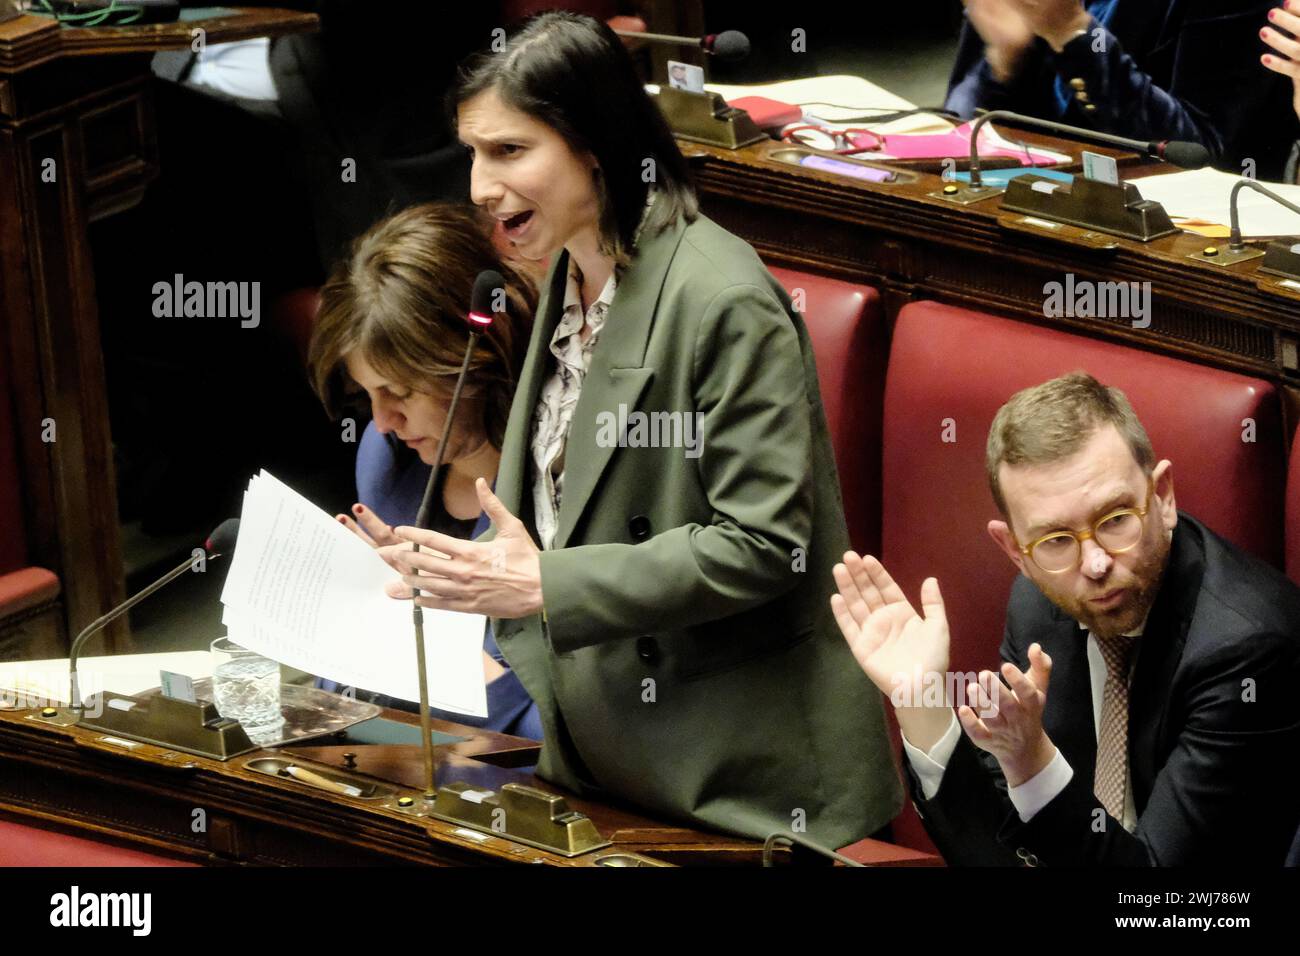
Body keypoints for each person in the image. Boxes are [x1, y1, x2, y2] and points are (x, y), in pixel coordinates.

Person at [381, 11, 902, 848]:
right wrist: (462, 568)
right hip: (599, 754)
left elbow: (766, 545)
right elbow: (566, 507)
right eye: (474, 152)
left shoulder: (720, 300)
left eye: (510, 152)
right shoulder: (567, 271)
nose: (479, 185)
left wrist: (548, 585)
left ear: (594, 146)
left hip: (737, 787)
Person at [832, 372, 1300, 865]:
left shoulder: (1247, 650)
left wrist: (1034, 766)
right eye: (1056, 541)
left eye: (1116, 519)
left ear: (1162, 496)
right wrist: (922, 704)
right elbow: (1001, 857)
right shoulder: (1039, 605)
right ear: (1015, 551)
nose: (1095, 563)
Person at [306, 202, 543, 739]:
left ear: (478, 355)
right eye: (367, 395)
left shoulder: (562, 481)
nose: (385, 422)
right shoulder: (385, 461)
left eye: (403, 391)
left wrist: (453, 657)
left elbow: (562, 730)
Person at [947, 0, 1297, 178]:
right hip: (1029, 210)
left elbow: (1197, 156)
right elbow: (954, 132)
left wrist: (1074, 34)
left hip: (1172, 253)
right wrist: (1006, 62)